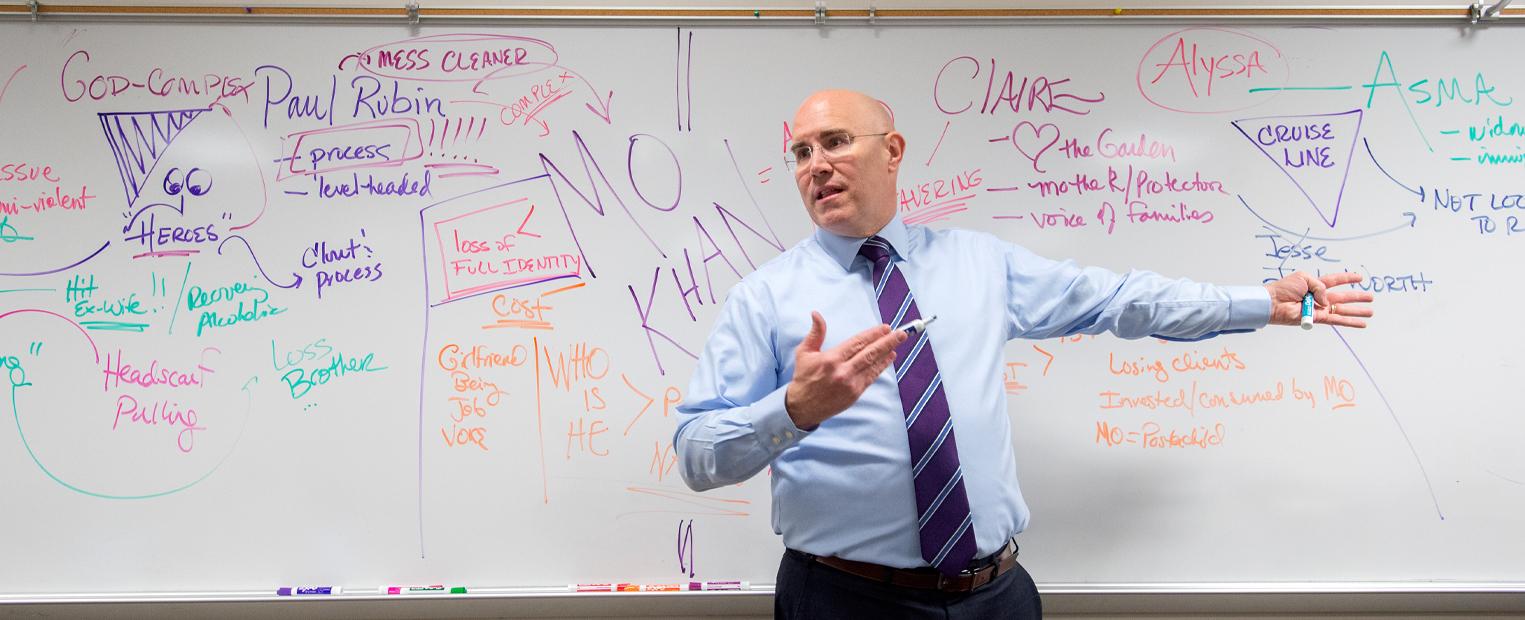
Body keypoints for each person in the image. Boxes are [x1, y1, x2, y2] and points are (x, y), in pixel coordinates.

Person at [673, 89, 1373, 618]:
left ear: (891, 151)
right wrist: (794, 410)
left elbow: (1118, 300)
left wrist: (1257, 302)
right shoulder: (764, 297)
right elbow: (698, 453)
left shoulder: (980, 264)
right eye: (801, 152)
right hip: (845, 599)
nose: (816, 165)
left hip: (995, 597)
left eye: (835, 141)